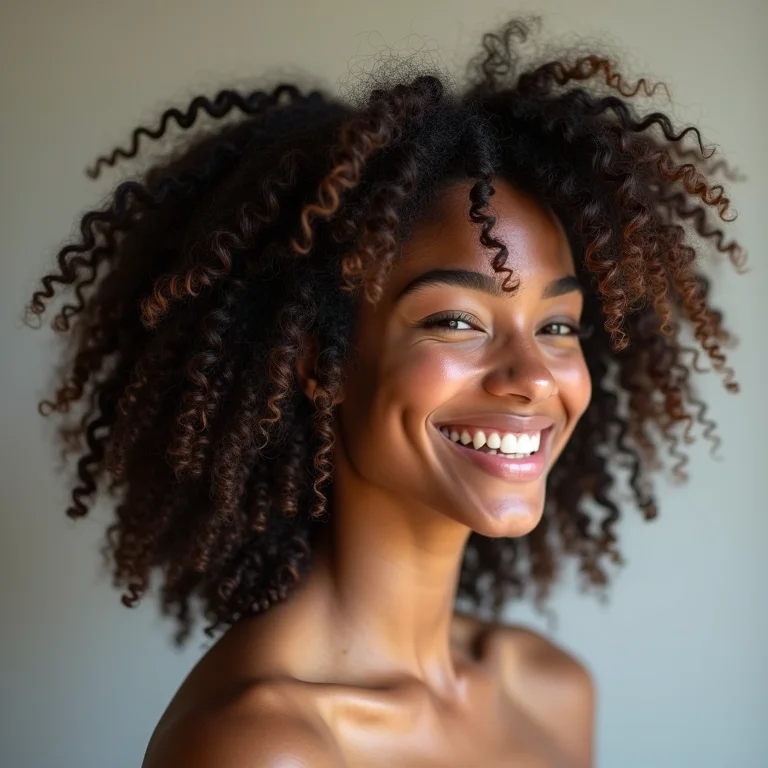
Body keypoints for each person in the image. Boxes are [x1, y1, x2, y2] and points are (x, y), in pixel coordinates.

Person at [28, 17, 743, 768]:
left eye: (558, 326)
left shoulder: (551, 693)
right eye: (457, 321)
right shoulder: (261, 747)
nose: (535, 376)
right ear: (318, 361)